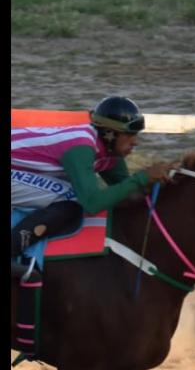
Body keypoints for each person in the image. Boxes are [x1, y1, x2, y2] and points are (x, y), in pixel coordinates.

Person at [11, 96, 175, 268]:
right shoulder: (81, 147)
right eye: (129, 134)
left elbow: (127, 191)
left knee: (73, 195)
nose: (135, 142)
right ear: (109, 134)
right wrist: (142, 177)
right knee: (73, 200)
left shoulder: (109, 152)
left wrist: (160, 180)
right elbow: (92, 203)